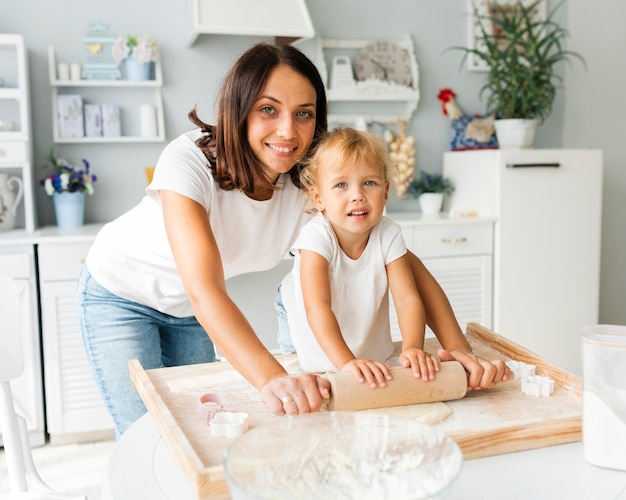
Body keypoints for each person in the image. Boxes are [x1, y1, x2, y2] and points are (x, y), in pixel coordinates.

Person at [76, 42, 508, 438]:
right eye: (268, 109)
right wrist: (273, 378)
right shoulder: (188, 160)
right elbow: (205, 289)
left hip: (189, 313)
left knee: (194, 430)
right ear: (238, 108)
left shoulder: (311, 181)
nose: (288, 131)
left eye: (304, 113)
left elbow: (404, 265)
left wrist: (457, 350)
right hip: (121, 294)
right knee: (145, 434)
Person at [280, 128, 439, 389]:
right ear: (318, 198)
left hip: (362, 324)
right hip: (305, 322)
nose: (357, 195)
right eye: (341, 185)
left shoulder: (388, 234)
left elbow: (408, 299)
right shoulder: (315, 237)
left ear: (385, 191)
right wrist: (346, 363)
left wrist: (413, 348)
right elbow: (317, 308)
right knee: (309, 379)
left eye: (369, 183)